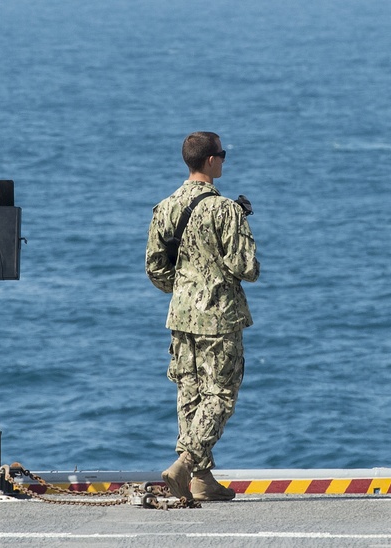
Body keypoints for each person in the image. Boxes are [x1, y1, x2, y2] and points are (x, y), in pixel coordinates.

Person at [145, 131, 260, 503]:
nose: (224, 160)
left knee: (189, 394)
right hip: (219, 316)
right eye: (222, 155)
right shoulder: (225, 210)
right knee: (221, 393)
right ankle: (186, 462)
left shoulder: (165, 207)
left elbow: (154, 268)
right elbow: (246, 268)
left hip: (181, 316)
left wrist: (183, 290)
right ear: (210, 161)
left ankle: (201, 479)